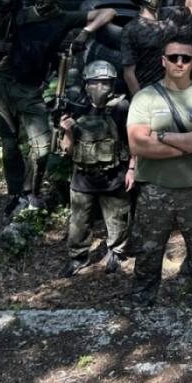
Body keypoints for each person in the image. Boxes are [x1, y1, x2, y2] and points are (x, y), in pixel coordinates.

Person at [0, 0, 115, 214]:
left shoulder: (64, 18)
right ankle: (17, 195)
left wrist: (86, 31)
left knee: (41, 148)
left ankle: (30, 190)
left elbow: (109, 12)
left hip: (30, 89)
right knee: (9, 145)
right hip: (4, 82)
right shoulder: (20, 15)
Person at [128, 34, 192, 305]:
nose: (179, 63)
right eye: (173, 57)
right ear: (163, 61)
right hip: (153, 190)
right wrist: (189, 143)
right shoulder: (144, 98)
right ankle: (142, 313)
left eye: (185, 58)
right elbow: (138, 144)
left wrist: (160, 136)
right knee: (147, 259)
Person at [58, 60, 133, 277]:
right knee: (78, 223)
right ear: (85, 83)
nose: (99, 87)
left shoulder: (121, 107)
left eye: (105, 83)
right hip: (83, 177)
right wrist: (67, 131)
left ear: (112, 84)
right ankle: (78, 257)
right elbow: (67, 150)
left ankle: (116, 252)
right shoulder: (76, 107)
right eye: (94, 82)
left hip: (114, 175)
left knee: (117, 219)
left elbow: (132, 141)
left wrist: (132, 168)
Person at [122, 0, 192, 96]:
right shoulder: (131, 29)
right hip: (150, 91)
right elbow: (129, 73)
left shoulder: (171, 13)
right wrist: (139, 99)